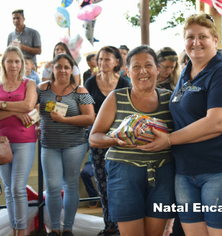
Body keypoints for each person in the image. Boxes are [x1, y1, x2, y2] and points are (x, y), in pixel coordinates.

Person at [139, 14, 222, 236]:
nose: (196, 42)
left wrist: (169, 140)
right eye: (190, 37)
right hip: (186, 171)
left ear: (215, 39)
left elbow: (218, 122)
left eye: (202, 36)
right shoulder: (186, 73)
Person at [89, 45, 176, 236]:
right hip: (123, 175)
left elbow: (181, 135)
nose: (143, 71)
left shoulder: (170, 99)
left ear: (158, 69)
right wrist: (115, 140)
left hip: (163, 174)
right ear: (127, 71)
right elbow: (94, 138)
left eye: (148, 65)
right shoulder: (116, 97)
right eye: (136, 66)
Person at [38, 53, 95, 236]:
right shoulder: (42, 88)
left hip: (74, 145)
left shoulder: (80, 91)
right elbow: (32, 108)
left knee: (70, 185)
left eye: (66, 67)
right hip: (49, 145)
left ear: (72, 70)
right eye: (58, 66)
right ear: (52, 68)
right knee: (53, 187)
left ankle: (68, 228)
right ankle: (54, 228)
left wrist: (64, 120)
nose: (62, 70)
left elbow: (90, 118)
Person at [84, 46, 130, 236]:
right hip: (98, 140)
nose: (102, 63)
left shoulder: (125, 83)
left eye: (107, 59)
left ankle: (123, 227)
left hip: (120, 141)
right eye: (100, 59)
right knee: (103, 185)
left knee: (121, 185)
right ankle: (109, 227)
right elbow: (84, 109)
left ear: (117, 62)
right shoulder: (90, 83)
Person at [0, 46, 37, 236]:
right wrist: (17, 110)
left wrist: (3, 106)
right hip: (1, 142)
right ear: (3, 63)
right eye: (10, 61)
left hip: (24, 140)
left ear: (22, 64)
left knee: (17, 187)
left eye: (17, 61)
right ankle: (15, 229)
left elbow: (29, 105)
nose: (13, 65)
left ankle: (21, 232)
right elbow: (22, 107)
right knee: (8, 189)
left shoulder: (29, 83)